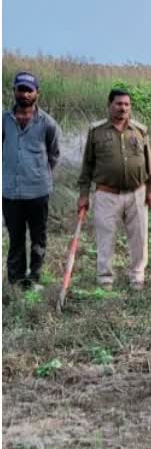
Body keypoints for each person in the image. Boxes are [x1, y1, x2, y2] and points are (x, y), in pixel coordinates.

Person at [77, 88, 151, 289]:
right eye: (119, 104)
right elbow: (87, 165)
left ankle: (137, 276)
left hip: (137, 193)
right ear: (109, 105)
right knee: (106, 237)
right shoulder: (96, 131)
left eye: (126, 104)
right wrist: (83, 195)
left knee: (139, 237)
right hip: (106, 194)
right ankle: (105, 277)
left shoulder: (140, 131)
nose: (123, 108)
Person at [2, 72, 61, 289]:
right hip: (10, 192)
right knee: (16, 238)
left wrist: (37, 173)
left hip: (38, 192)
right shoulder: (4, 120)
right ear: (14, 91)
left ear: (37, 93)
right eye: (21, 89)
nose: (25, 94)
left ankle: (34, 279)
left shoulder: (48, 123)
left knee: (38, 238)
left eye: (29, 90)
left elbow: (53, 155)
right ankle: (16, 282)